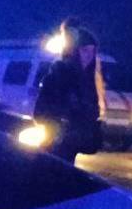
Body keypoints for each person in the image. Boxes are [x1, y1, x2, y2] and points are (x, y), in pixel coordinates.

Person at [33, 20, 104, 163]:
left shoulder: (88, 80)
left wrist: (91, 126)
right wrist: (62, 124)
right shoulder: (58, 74)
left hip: (73, 147)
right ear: (74, 51)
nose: (89, 56)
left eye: (92, 51)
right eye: (84, 50)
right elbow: (40, 112)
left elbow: (92, 111)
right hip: (54, 146)